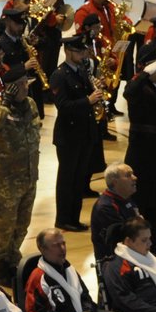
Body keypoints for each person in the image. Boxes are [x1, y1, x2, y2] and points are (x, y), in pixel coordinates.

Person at [0, 70, 41, 288]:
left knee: (23, 224)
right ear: (11, 87)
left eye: (26, 83)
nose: (26, 87)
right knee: (5, 225)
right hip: (5, 179)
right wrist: (4, 103)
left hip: (28, 175)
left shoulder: (31, 104)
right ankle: (1, 265)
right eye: (21, 84)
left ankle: (14, 260)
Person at [53, 34, 107, 233]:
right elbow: (63, 106)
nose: (82, 55)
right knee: (67, 179)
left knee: (78, 178)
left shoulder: (82, 70)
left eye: (83, 51)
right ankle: (63, 218)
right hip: (69, 134)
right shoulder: (59, 75)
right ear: (68, 52)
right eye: (78, 51)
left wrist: (96, 90)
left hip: (85, 132)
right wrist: (89, 100)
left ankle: (74, 217)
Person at [124, 58, 156, 252]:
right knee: (142, 201)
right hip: (143, 150)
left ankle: (153, 246)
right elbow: (128, 92)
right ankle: (138, 246)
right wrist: (144, 74)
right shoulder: (139, 88)